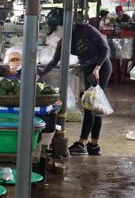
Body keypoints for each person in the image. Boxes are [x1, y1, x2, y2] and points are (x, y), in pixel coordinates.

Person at [39, 8, 111, 156]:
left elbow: (105, 48)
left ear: (64, 24)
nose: (56, 32)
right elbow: (54, 61)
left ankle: (82, 143)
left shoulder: (86, 30)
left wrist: (97, 68)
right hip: (88, 69)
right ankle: (94, 145)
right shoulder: (64, 41)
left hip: (101, 67)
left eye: (57, 28)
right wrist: (39, 73)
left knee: (91, 106)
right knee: (94, 107)